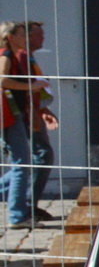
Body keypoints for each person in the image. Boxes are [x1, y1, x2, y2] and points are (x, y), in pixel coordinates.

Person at [0, 20, 56, 226]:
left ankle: (21, 210)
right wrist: (32, 87)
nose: (28, 39)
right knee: (25, 162)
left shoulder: (17, 55)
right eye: (24, 35)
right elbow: (3, 80)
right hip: (10, 116)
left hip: (15, 115)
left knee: (24, 163)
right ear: (11, 37)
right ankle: (19, 213)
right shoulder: (8, 54)